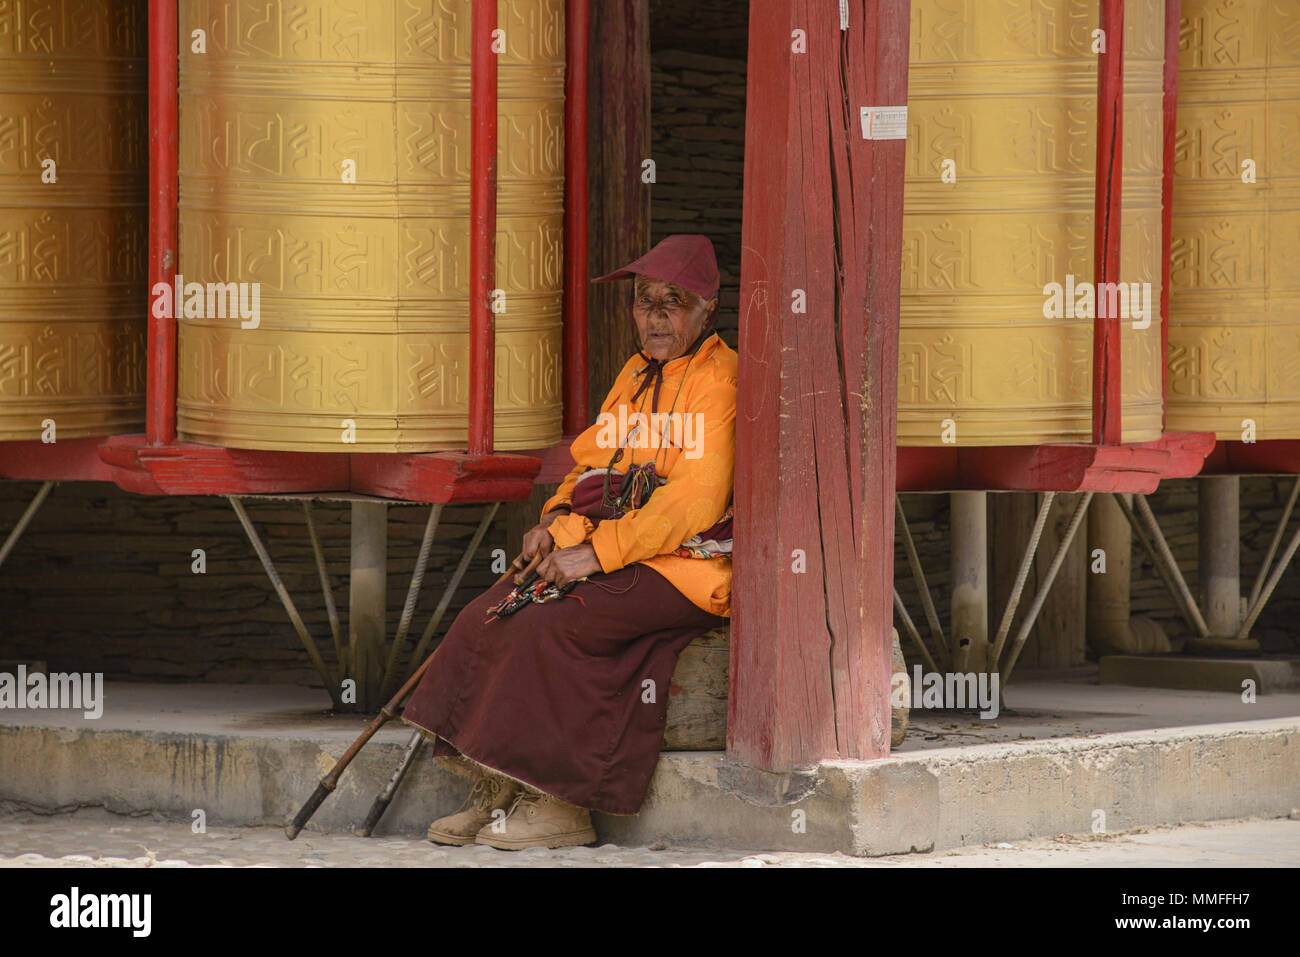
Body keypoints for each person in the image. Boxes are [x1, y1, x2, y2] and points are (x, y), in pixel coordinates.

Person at [400, 234, 737, 850]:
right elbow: (591, 471)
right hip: (621, 548)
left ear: (707, 308)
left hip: (690, 566)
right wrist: (554, 528)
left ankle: (559, 806)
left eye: (674, 301)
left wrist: (595, 555)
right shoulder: (635, 375)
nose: (656, 315)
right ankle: (498, 786)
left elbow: (694, 502)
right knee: (495, 609)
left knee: (559, 622)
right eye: (644, 301)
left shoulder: (720, 382)